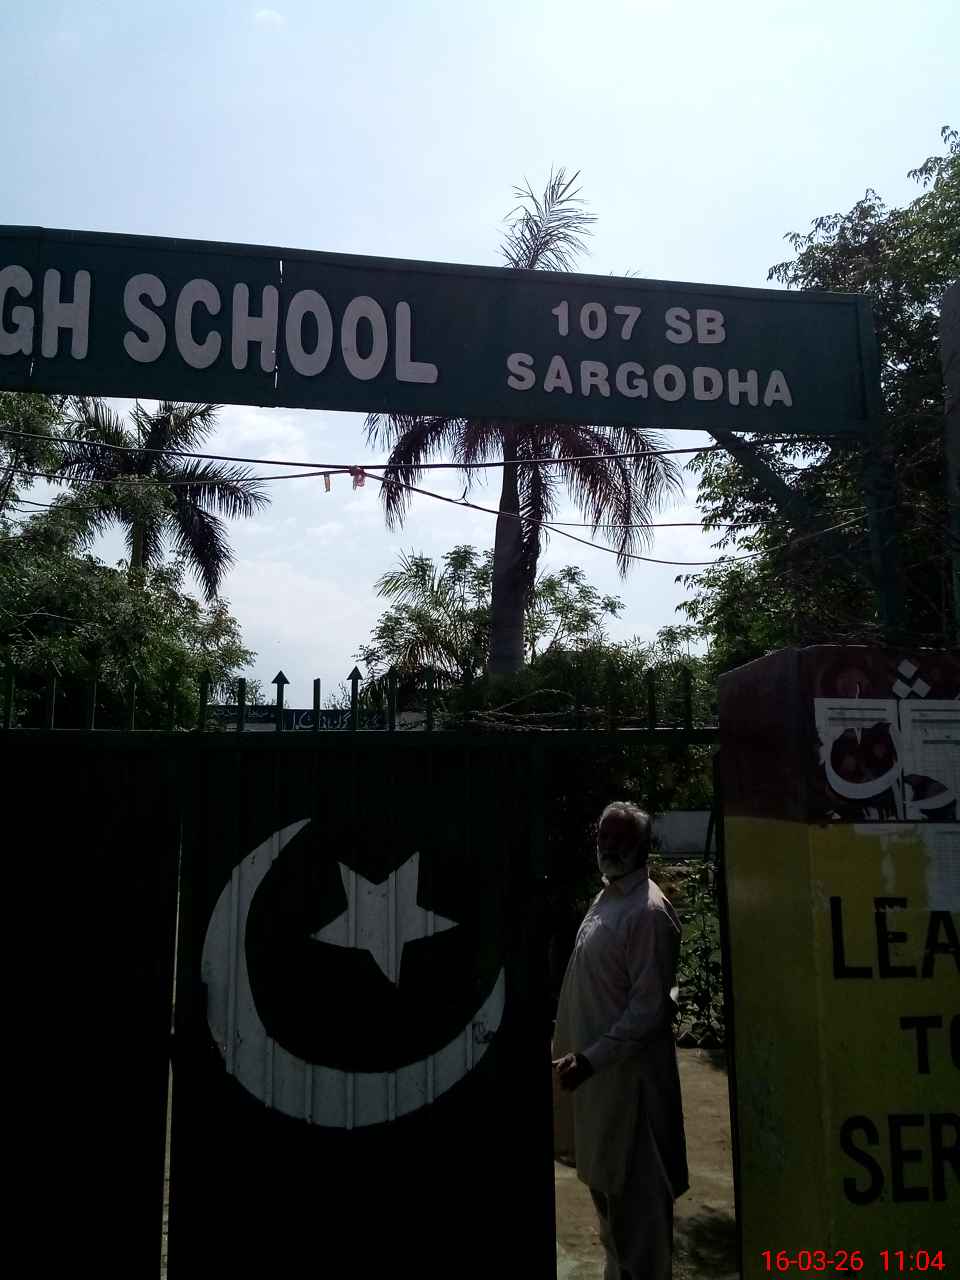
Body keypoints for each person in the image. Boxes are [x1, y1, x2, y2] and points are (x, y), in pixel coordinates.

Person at [552, 801, 688, 1280]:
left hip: (633, 1096)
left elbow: (649, 1010)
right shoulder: (609, 897)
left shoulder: (647, 912)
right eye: (603, 837)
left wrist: (591, 1059)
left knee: (641, 1227)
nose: (608, 846)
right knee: (613, 1221)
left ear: (643, 846)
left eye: (620, 839)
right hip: (598, 1088)